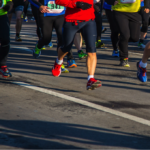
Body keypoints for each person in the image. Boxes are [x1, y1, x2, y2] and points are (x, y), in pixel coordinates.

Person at [52, 0, 102, 90]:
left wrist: (94, 4)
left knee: (92, 50)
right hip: (72, 20)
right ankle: (58, 61)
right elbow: (58, 1)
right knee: (66, 48)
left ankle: (90, 79)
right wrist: (75, 4)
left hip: (89, 20)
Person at [112, 0, 149, 67]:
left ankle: (121, 42)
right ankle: (124, 58)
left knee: (135, 38)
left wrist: (147, 6)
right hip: (120, 11)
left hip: (135, 12)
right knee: (125, 35)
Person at [0, 0, 13, 78]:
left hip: (2, 16)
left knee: (5, 40)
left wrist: (9, 5)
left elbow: (9, 1)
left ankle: (2, 65)